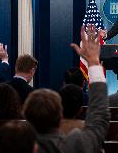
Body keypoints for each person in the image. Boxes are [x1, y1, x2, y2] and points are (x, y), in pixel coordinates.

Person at [22, 25, 110, 153]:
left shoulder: (16, 143)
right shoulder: (78, 143)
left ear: (26, 116)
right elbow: (100, 115)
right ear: (60, 114)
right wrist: (94, 62)